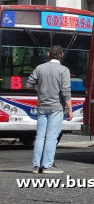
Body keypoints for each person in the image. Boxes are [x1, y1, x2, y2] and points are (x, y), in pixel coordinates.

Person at [27, 45, 73, 174]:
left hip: (42, 106)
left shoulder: (39, 68)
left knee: (40, 136)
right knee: (52, 136)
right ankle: (47, 165)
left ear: (49, 54)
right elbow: (65, 91)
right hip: (56, 107)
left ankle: (36, 166)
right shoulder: (64, 70)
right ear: (61, 55)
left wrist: (39, 89)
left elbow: (29, 84)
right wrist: (70, 109)